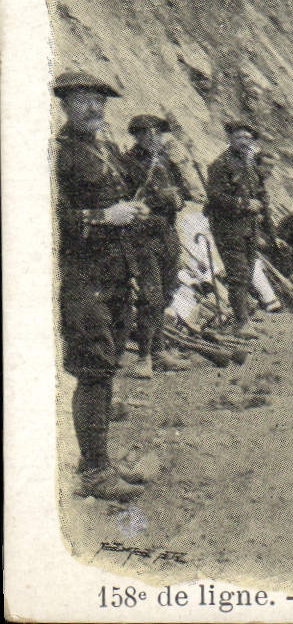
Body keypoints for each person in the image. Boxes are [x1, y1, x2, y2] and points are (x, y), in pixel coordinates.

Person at [53, 70, 149, 501]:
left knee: (106, 366)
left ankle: (98, 459)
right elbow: (50, 220)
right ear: (64, 105)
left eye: (100, 101)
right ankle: (93, 473)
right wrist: (103, 217)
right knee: (93, 369)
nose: (94, 108)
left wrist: (133, 208)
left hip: (115, 271)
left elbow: (120, 192)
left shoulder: (106, 149)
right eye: (83, 100)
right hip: (82, 276)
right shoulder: (57, 155)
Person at [120, 114, 194, 377]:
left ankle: (159, 351)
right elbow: (124, 199)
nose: (152, 139)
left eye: (157, 134)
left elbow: (185, 192)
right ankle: (144, 358)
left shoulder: (166, 161)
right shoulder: (127, 163)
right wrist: (158, 198)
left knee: (165, 292)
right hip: (142, 234)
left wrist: (178, 200)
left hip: (167, 232)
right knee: (149, 296)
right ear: (137, 136)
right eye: (145, 134)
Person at [204, 121, 269, 338]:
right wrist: (243, 204)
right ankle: (241, 323)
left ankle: (243, 318)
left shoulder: (250, 165)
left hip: (248, 227)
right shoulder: (220, 165)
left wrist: (259, 205)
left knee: (248, 271)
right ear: (230, 139)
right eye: (240, 137)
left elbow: (259, 191)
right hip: (228, 227)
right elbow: (215, 197)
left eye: (249, 139)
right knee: (238, 273)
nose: (245, 142)